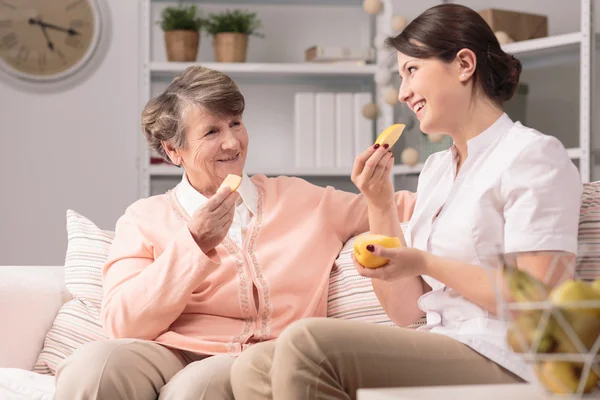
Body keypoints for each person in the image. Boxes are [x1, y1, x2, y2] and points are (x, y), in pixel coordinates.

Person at [229, 4, 583, 399]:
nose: (402, 93)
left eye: (412, 70)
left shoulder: (533, 155)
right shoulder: (436, 170)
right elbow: (405, 311)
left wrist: (428, 263)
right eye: (400, 76)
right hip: (443, 341)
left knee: (306, 343)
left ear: (464, 64)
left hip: (507, 354)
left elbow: (537, 303)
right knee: (255, 366)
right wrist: (379, 203)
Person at [52, 66, 417, 399]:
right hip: (169, 350)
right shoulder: (144, 218)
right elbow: (123, 322)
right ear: (172, 149)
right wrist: (194, 244)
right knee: (94, 368)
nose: (232, 142)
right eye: (212, 131)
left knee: (198, 387)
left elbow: (402, 205)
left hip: (264, 356)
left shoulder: (302, 199)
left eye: (236, 123)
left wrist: (463, 176)